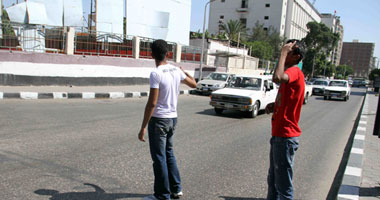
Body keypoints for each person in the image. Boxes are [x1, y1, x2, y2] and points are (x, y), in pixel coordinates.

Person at [138, 39, 197, 200]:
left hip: (159, 120)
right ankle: (176, 189)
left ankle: (162, 195)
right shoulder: (176, 70)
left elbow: (152, 103)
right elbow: (194, 84)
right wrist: (185, 72)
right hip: (172, 119)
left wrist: (143, 127)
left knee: (159, 158)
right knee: (169, 153)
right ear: (168, 54)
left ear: (152, 55)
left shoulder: (156, 73)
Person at [266, 39, 305, 200]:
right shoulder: (292, 73)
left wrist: (282, 54)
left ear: (296, 56)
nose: (283, 52)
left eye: (288, 51)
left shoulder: (295, 71)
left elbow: (277, 77)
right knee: (273, 181)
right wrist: (274, 106)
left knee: (283, 187)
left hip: (285, 136)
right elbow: (289, 99)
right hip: (279, 135)